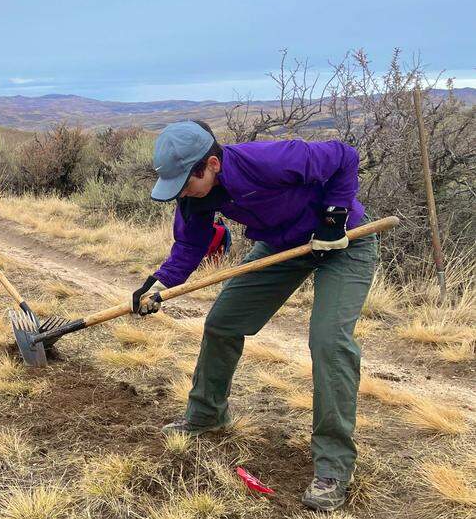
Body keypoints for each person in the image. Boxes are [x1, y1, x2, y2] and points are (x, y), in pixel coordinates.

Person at [136, 120, 377, 512]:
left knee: (329, 341)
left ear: (211, 164)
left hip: (346, 241)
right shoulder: (195, 196)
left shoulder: (267, 160)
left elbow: (344, 156)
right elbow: (191, 243)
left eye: (185, 182)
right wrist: (160, 284)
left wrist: (333, 220)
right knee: (222, 323)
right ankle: (207, 415)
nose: (181, 192)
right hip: (283, 245)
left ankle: (333, 466)